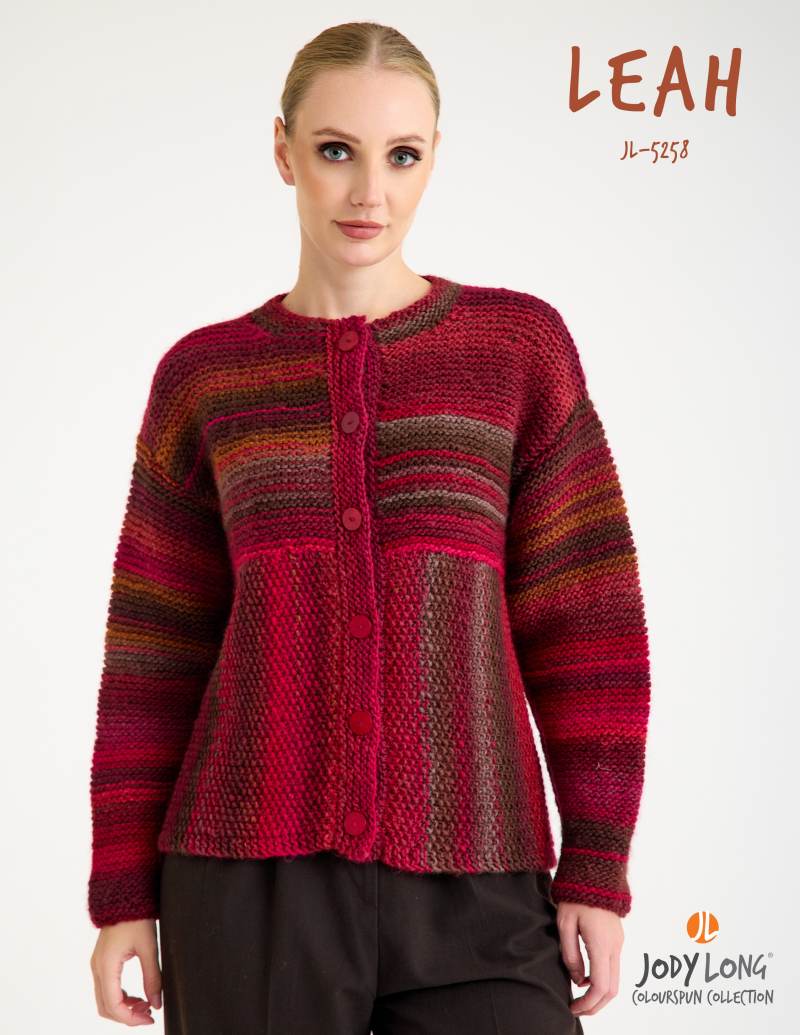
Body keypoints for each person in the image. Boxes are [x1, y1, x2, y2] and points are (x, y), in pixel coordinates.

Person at [88, 20, 651, 1034]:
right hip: (245, 878)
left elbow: (587, 624)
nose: (368, 193)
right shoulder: (205, 377)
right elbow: (153, 652)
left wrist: (598, 868)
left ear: (434, 159)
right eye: (336, 150)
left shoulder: (516, 351)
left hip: (477, 869)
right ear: (283, 151)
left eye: (401, 155)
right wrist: (123, 892)